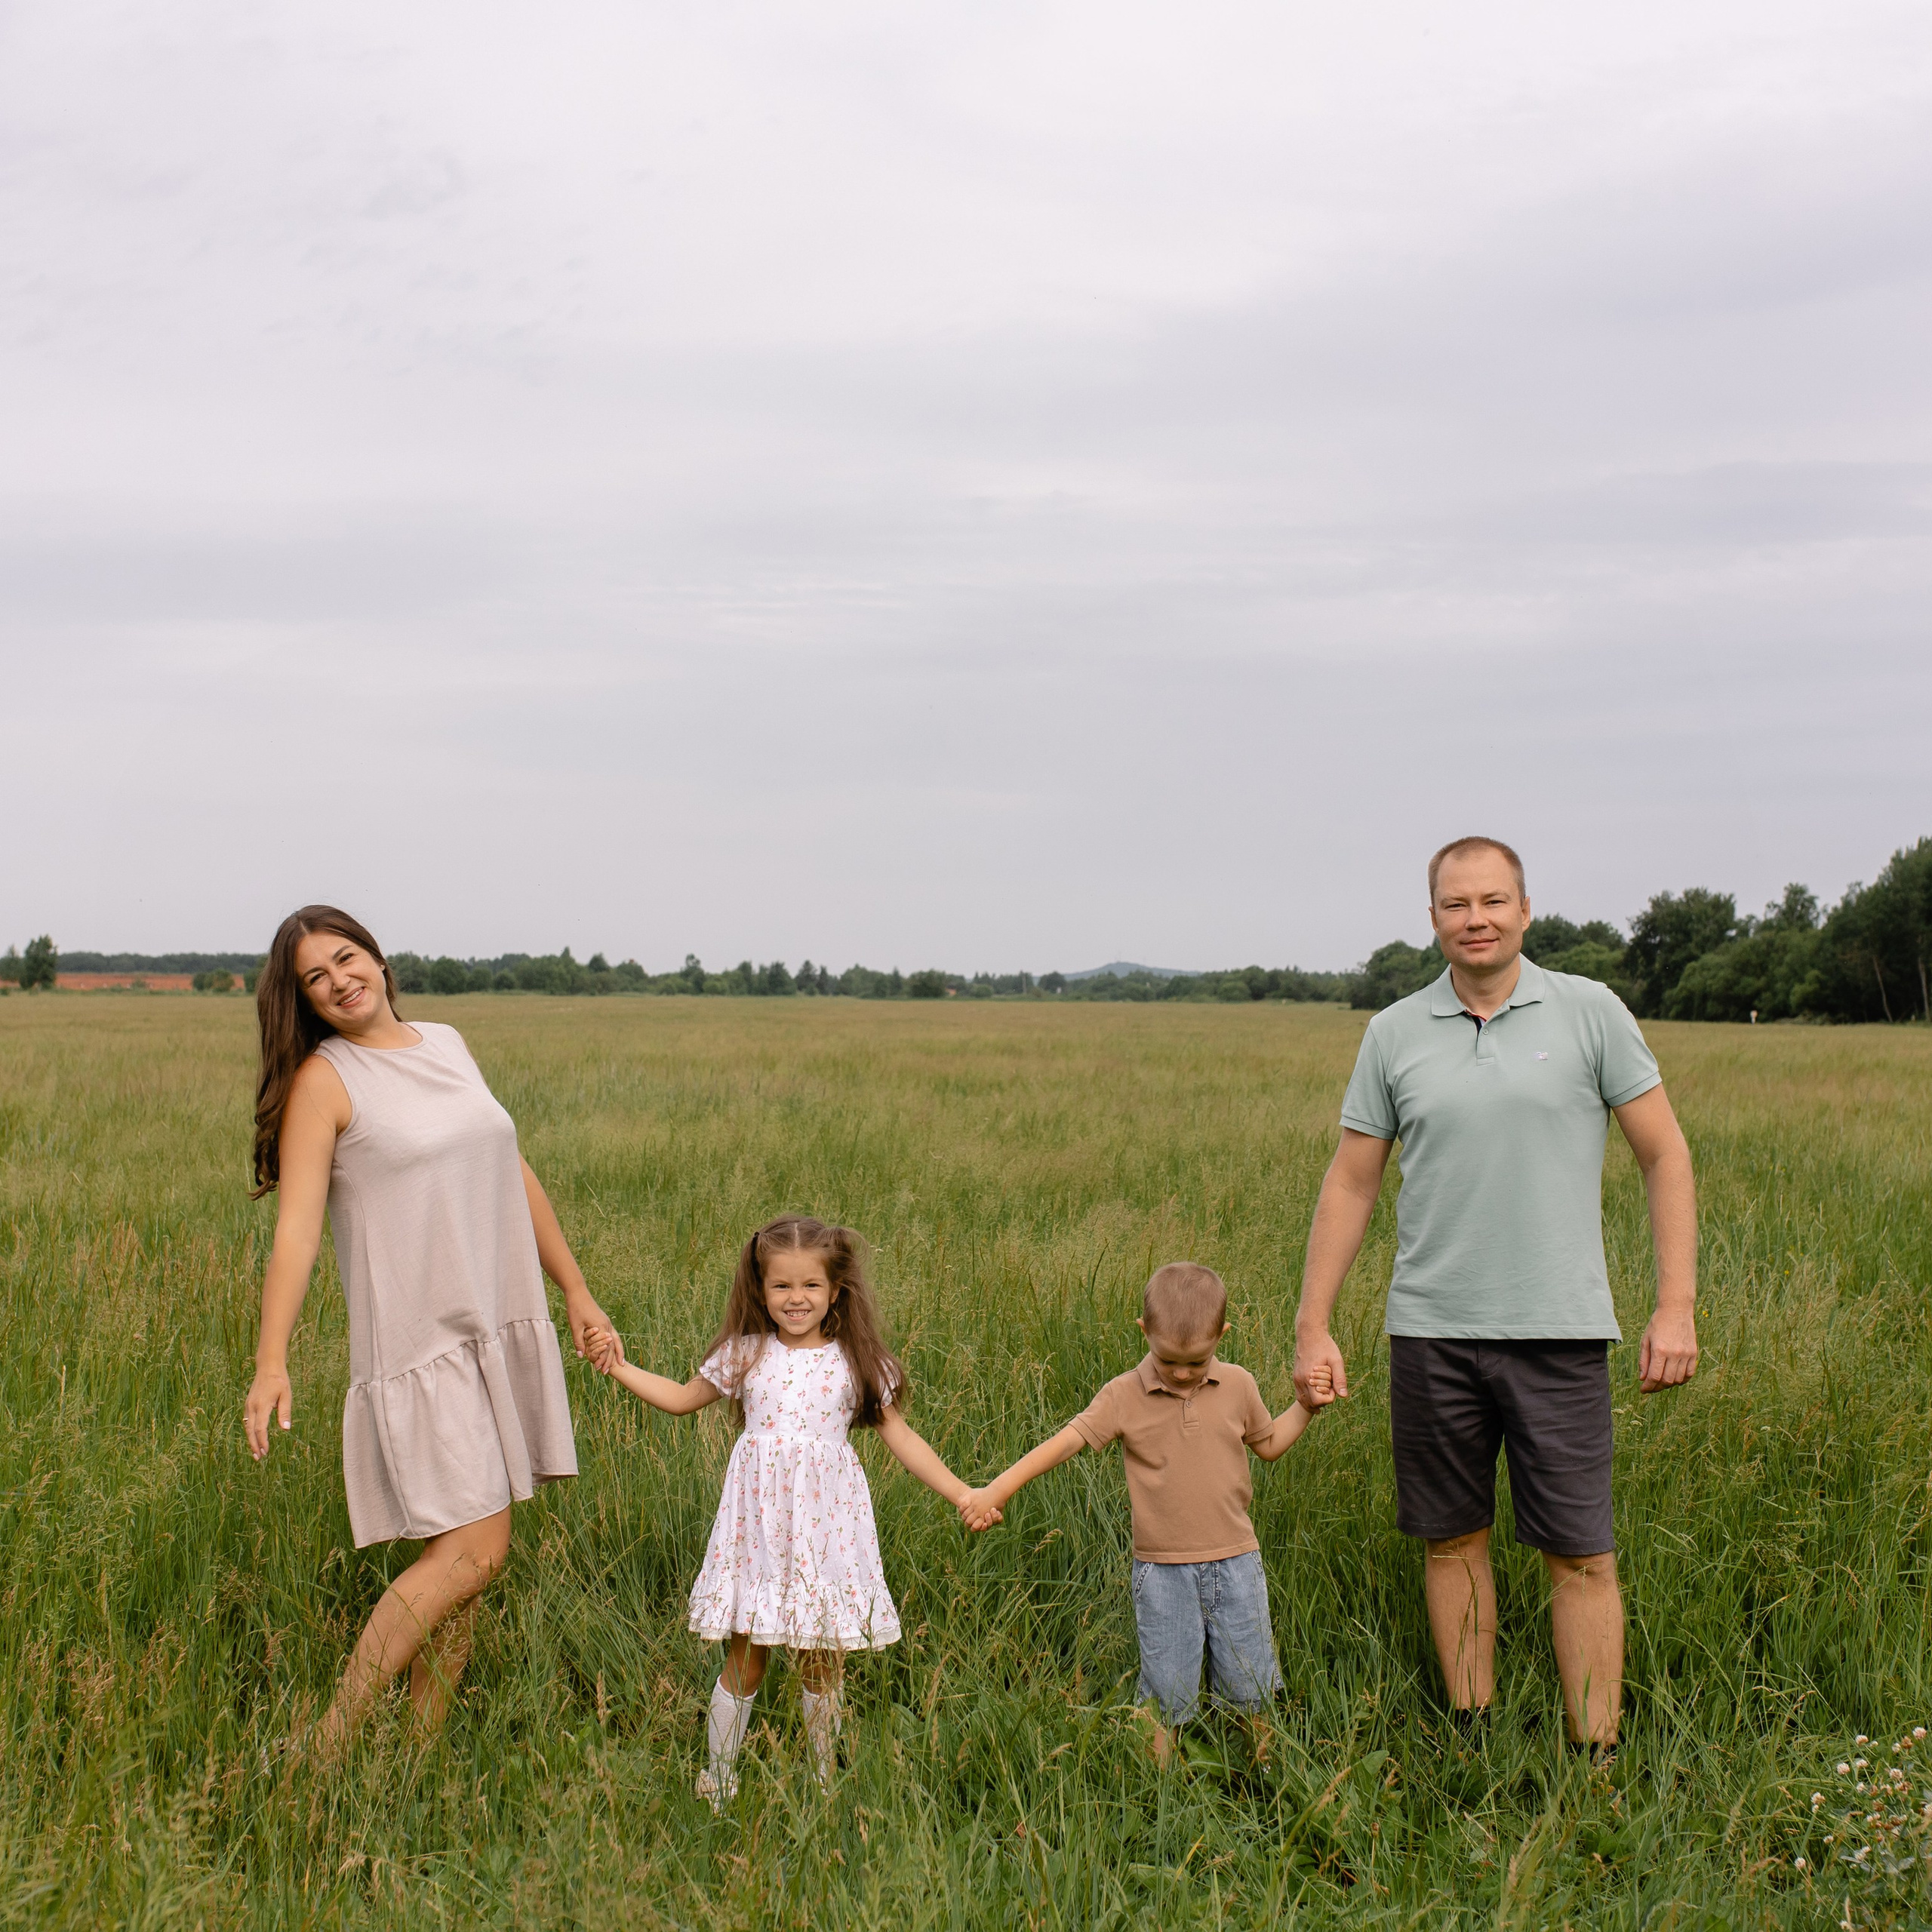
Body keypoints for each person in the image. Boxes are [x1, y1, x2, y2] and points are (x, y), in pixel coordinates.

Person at [1293, 837, 1698, 1752]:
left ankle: (1595, 1754)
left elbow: (1663, 1154)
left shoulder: (1590, 1011)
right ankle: (1471, 1735)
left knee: (1581, 1552)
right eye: (1454, 904)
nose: (1474, 919)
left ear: (1523, 910)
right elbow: (1351, 1183)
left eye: (1491, 901)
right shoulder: (1393, 1030)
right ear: (1432, 917)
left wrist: (1675, 1306)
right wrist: (1312, 1323)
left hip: (1558, 1330)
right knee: (1450, 1539)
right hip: (1430, 1332)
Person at [242, 906, 622, 1755]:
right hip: (422, 1345)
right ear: (301, 998)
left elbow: (509, 1166)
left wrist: (577, 1289)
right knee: (473, 1557)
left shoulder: (446, 1041)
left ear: (377, 958)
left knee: (468, 1568)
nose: (340, 979)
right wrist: (272, 1361)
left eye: (347, 958)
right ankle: (326, 1744)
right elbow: (297, 1229)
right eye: (316, 976)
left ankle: (416, 1759)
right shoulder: (325, 1082)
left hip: (493, 1323)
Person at [583, 1215, 975, 1807]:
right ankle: (718, 1777)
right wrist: (617, 1365)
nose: (796, 1299)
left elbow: (905, 1440)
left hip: (825, 1534)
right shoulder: (745, 1355)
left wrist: (963, 1493)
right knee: (746, 1653)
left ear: (836, 1290)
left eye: (810, 1286)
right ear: (760, 1290)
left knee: (821, 1659)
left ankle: (821, 1782)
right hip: (758, 1533)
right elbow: (681, 1400)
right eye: (782, 1287)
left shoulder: (855, 1361)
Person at [961, 1263, 1326, 1763]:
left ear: (1222, 1336)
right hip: (1163, 1573)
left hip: (1238, 1564)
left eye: (1196, 1362)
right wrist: (997, 1490)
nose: (1179, 1373)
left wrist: (1306, 1407)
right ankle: (1159, 1790)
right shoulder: (1123, 1395)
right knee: (1167, 1689)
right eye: (1166, 1359)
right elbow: (1064, 1443)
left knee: (1251, 1682)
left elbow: (1269, 1445)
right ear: (1143, 1332)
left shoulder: (1239, 1385)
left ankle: (1266, 1772)